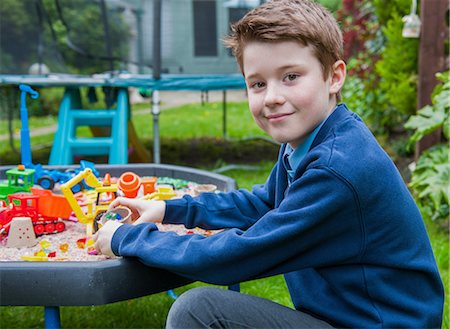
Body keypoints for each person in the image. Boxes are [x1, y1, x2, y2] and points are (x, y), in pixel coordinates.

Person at [94, 0, 444, 328]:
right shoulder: (313, 139)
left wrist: (128, 237)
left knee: (199, 313)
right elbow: (263, 204)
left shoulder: (337, 169)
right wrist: (169, 210)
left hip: (376, 324)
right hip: (349, 317)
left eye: (291, 76)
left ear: (334, 76)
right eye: (258, 83)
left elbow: (240, 255)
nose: (273, 97)